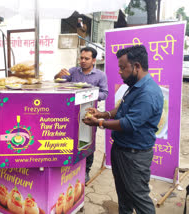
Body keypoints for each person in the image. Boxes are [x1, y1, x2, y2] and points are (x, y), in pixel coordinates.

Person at [83, 45, 163, 214]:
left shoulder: (148, 92)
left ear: (137, 66)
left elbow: (128, 123)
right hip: (122, 149)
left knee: (139, 198)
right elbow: (120, 110)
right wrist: (102, 114)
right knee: (124, 196)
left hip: (135, 156)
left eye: (122, 67)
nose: (119, 71)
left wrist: (98, 123)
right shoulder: (134, 85)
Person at [54, 46, 108, 182]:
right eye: (81, 58)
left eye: (86, 58)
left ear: (94, 60)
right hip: (70, 112)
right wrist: (58, 75)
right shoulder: (73, 71)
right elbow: (59, 84)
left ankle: (86, 170)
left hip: (89, 113)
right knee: (71, 139)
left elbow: (104, 94)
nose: (83, 61)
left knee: (88, 141)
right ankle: (71, 167)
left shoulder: (100, 75)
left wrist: (88, 93)